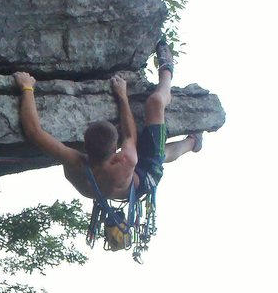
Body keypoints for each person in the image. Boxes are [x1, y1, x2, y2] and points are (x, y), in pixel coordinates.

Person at [14, 41, 202, 203]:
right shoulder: (126, 160)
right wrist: (122, 96)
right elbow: (130, 135)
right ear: (116, 151)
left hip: (115, 185)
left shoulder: (73, 161)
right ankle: (191, 137)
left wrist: (27, 88)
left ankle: (193, 139)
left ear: (84, 145)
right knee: (156, 106)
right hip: (144, 179)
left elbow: (33, 132)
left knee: (159, 151)